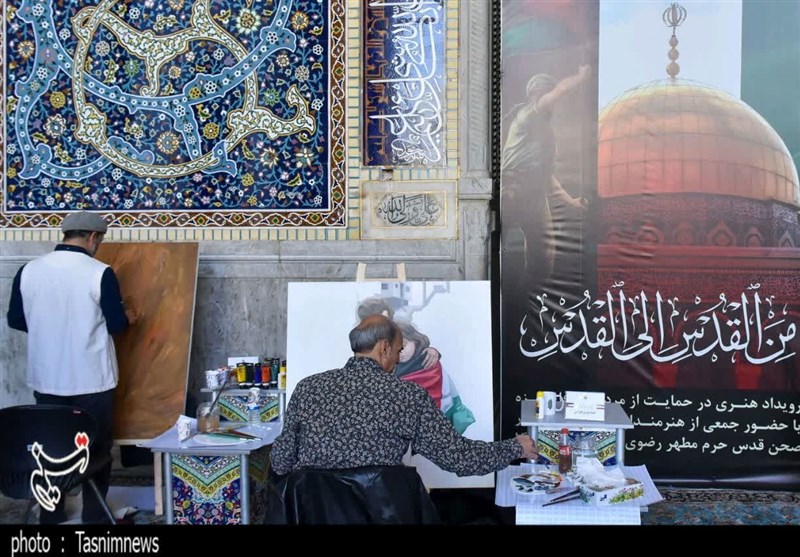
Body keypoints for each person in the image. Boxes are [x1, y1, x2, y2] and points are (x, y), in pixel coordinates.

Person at [270, 314, 538, 477]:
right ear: (384, 348)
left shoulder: (307, 388)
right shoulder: (407, 396)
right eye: (398, 351)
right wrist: (515, 447)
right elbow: (458, 457)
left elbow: (280, 462)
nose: (398, 360)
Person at [6, 211, 138, 524]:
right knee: (96, 449)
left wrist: (48, 328)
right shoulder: (99, 272)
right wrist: (129, 317)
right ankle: (94, 514)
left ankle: (51, 515)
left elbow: (16, 319)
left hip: (47, 377)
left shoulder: (29, 270)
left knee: (50, 447)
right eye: (99, 240)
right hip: (92, 379)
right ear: (93, 237)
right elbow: (116, 325)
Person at [501, 65, 590, 301]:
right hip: (511, 188)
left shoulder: (546, 137)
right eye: (546, 96)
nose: (552, 103)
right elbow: (559, 92)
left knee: (544, 260)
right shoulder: (526, 115)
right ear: (537, 96)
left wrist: (571, 202)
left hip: (535, 196)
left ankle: (522, 301)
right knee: (496, 244)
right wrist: (581, 77)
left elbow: (546, 177)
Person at [395, 320, 475, 434]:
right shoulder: (390, 366)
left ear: (415, 340)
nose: (400, 352)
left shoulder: (429, 360)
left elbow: (443, 392)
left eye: (403, 345)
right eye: (393, 349)